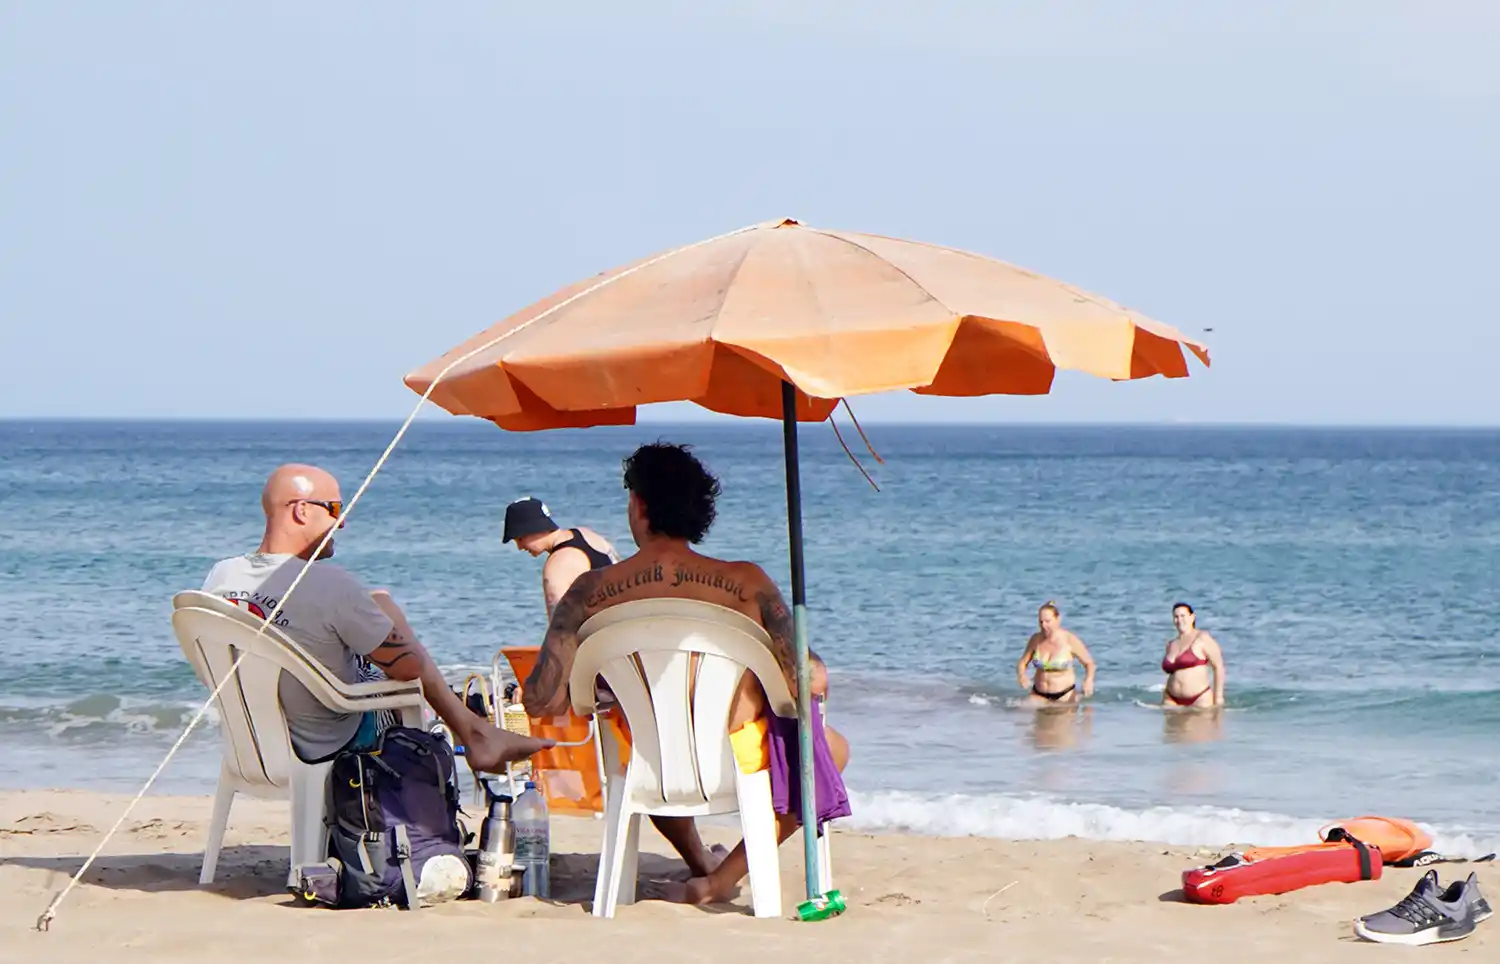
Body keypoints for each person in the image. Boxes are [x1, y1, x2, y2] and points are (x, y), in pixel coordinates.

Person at [521, 442, 851, 906]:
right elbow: (812, 679)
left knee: (641, 725)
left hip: (647, 764)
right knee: (830, 748)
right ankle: (721, 878)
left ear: (638, 504)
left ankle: (707, 870)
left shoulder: (587, 592)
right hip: (737, 763)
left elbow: (542, 700)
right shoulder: (747, 582)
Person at [202, 463, 552, 770]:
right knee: (386, 616)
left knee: (374, 609)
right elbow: (407, 670)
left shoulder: (220, 576)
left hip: (251, 746)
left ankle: (477, 734)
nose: (342, 522)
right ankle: (474, 735)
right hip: (330, 743)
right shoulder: (329, 583)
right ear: (301, 511)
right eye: (335, 508)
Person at [501, 496, 620, 617]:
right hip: (625, 622)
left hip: (600, 631)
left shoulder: (557, 566)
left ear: (535, 528)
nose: (520, 547)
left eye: (520, 539)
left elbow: (560, 626)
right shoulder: (588, 536)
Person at [1015, 601, 1097, 704]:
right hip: (1038, 695)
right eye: (1041, 622)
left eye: (1048, 621)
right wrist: (1022, 676)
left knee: (1061, 718)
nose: (1044, 626)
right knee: (1016, 714)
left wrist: (1088, 680)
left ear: (1058, 619)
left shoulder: (1069, 639)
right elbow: (1022, 663)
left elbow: (1089, 663)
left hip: (1064, 696)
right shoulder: (1035, 639)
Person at [1160, 601, 1225, 708]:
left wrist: (1218, 697)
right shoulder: (1171, 644)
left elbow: (1218, 666)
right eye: (1176, 617)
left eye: (1183, 616)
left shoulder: (1202, 638)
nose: (1179, 620)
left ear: (1192, 617)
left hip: (1199, 698)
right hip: (1171, 698)